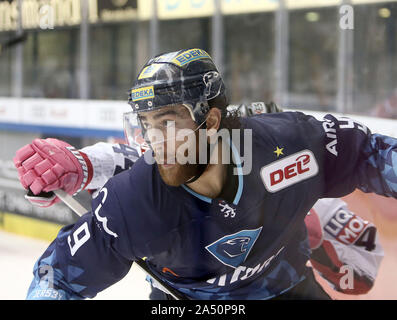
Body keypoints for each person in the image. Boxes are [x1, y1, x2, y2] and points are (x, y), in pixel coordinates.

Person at [16, 48, 396, 300]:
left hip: (285, 289)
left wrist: (325, 245)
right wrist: (85, 164)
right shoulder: (133, 201)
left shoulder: (293, 148)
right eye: (146, 124)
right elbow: (58, 278)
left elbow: (370, 156)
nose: (155, 140)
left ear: (213, 120)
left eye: (166, 121)